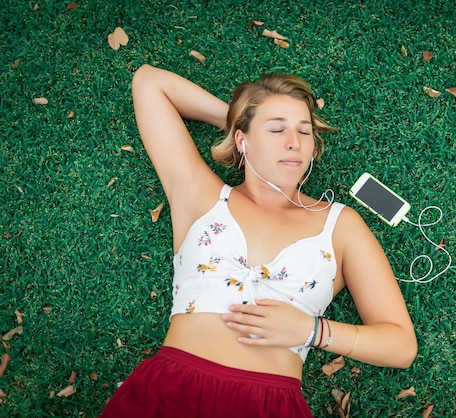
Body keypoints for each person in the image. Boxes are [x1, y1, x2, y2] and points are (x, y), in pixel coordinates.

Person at [99, 64, 417, 417]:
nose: (294, 142)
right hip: (171, 392)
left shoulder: (340, 225)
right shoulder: (199, 196)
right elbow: (149, 82)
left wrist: (313, 331)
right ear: (241, 139)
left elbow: (401, 345)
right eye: (277, 129)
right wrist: (242, 121)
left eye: (305, 132)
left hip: (269, 406)